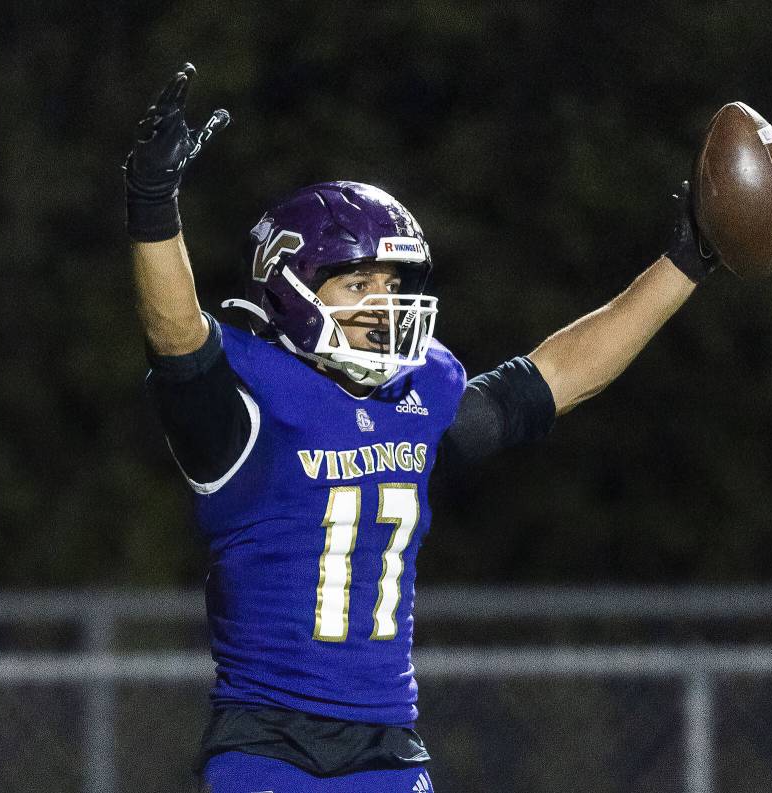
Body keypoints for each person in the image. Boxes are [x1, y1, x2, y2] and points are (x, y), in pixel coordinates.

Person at [124, 64, 716, 793]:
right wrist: (154, 204)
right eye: (359, 282)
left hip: (389, 750)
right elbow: (176, 337)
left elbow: (555, 377)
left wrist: (684, 264)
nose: (384, 303)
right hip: (268, 748)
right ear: (295, 286)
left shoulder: (422, 389)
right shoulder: (248, 399)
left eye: (393, 284)